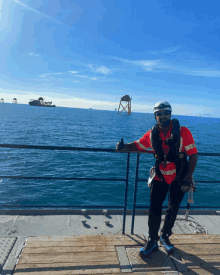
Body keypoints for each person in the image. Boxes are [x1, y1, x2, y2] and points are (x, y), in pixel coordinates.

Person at [116, 101, 198, 257]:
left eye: (165, 113)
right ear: (155, 117)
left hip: (179, 176)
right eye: (159, 114)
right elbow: (138, 145)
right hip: (160, 176)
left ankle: (165, 236)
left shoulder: (183, 132)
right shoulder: (152, 133)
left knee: (173, 208)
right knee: (154, 208)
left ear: (170, 114)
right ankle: (152, 240)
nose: (162, 116)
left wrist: (187, 178)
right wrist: (123, 146)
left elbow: (193, 156)